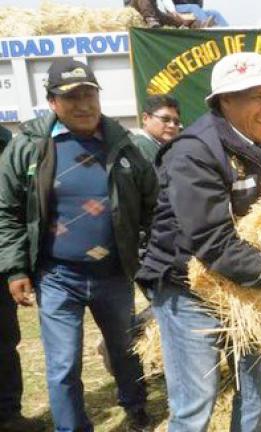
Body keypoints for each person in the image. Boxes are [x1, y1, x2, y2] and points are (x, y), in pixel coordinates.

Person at [136, 52, 261, 431]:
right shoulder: (193, 152)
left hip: (246, 283)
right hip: (188, 286)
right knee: (195, 405)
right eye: (257, 97)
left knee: (255, 392)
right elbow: (212, 240)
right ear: (225, 101)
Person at [0, 59, 158, 432]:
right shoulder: (28, 148)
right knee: (62, 364)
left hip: (114, 274)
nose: (83, 104)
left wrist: (154, 261)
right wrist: (16, 269)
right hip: (57, 276)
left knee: (125, 351)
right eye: (71, 97)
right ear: (52, 102)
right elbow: (6, 212)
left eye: (89, 94)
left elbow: (155, 207)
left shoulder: (127, 147)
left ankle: (136, 407)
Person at [0, 125, 46, 432]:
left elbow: (10, 204)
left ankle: (7, 413)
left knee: (4, 341)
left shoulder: (5, 140)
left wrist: (15, 266)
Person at [131, 94, 182, 163]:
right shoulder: (139, 146)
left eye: (176, 122)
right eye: (165, 119)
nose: (172, 125)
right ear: (145, 118)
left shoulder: (162, 148)